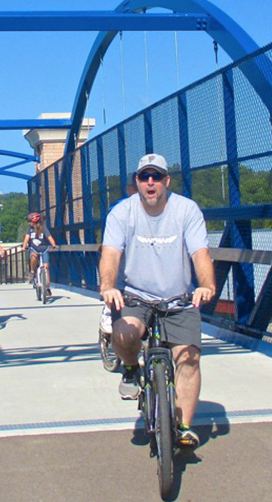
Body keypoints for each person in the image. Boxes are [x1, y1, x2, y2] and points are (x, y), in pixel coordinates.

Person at [100, 153, 216, 449]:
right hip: (137, 296)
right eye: (143, 177)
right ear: (136, 182)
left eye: (156, 176)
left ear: (166, 181)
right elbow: (111, 254)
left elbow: (199, 252)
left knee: (189, 358)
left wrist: (207, 284)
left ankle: (186, 426)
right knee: (124, 333)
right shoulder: (122, 213)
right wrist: (108, 286)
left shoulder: (186, 210)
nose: (150, 182)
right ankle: (130, 368)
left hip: (178, 299)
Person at [22, 212, 57, 297]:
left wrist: (54, 244)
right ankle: (33, 271)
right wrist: (24, 246)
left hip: (44, 249)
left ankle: (47, 287)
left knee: (46, 266)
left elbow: (49, 237)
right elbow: (26, 238)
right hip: (34, 249)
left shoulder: (43, 228)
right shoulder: (29, 229)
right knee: (33, 256)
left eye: (30, 221)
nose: (29, 223)